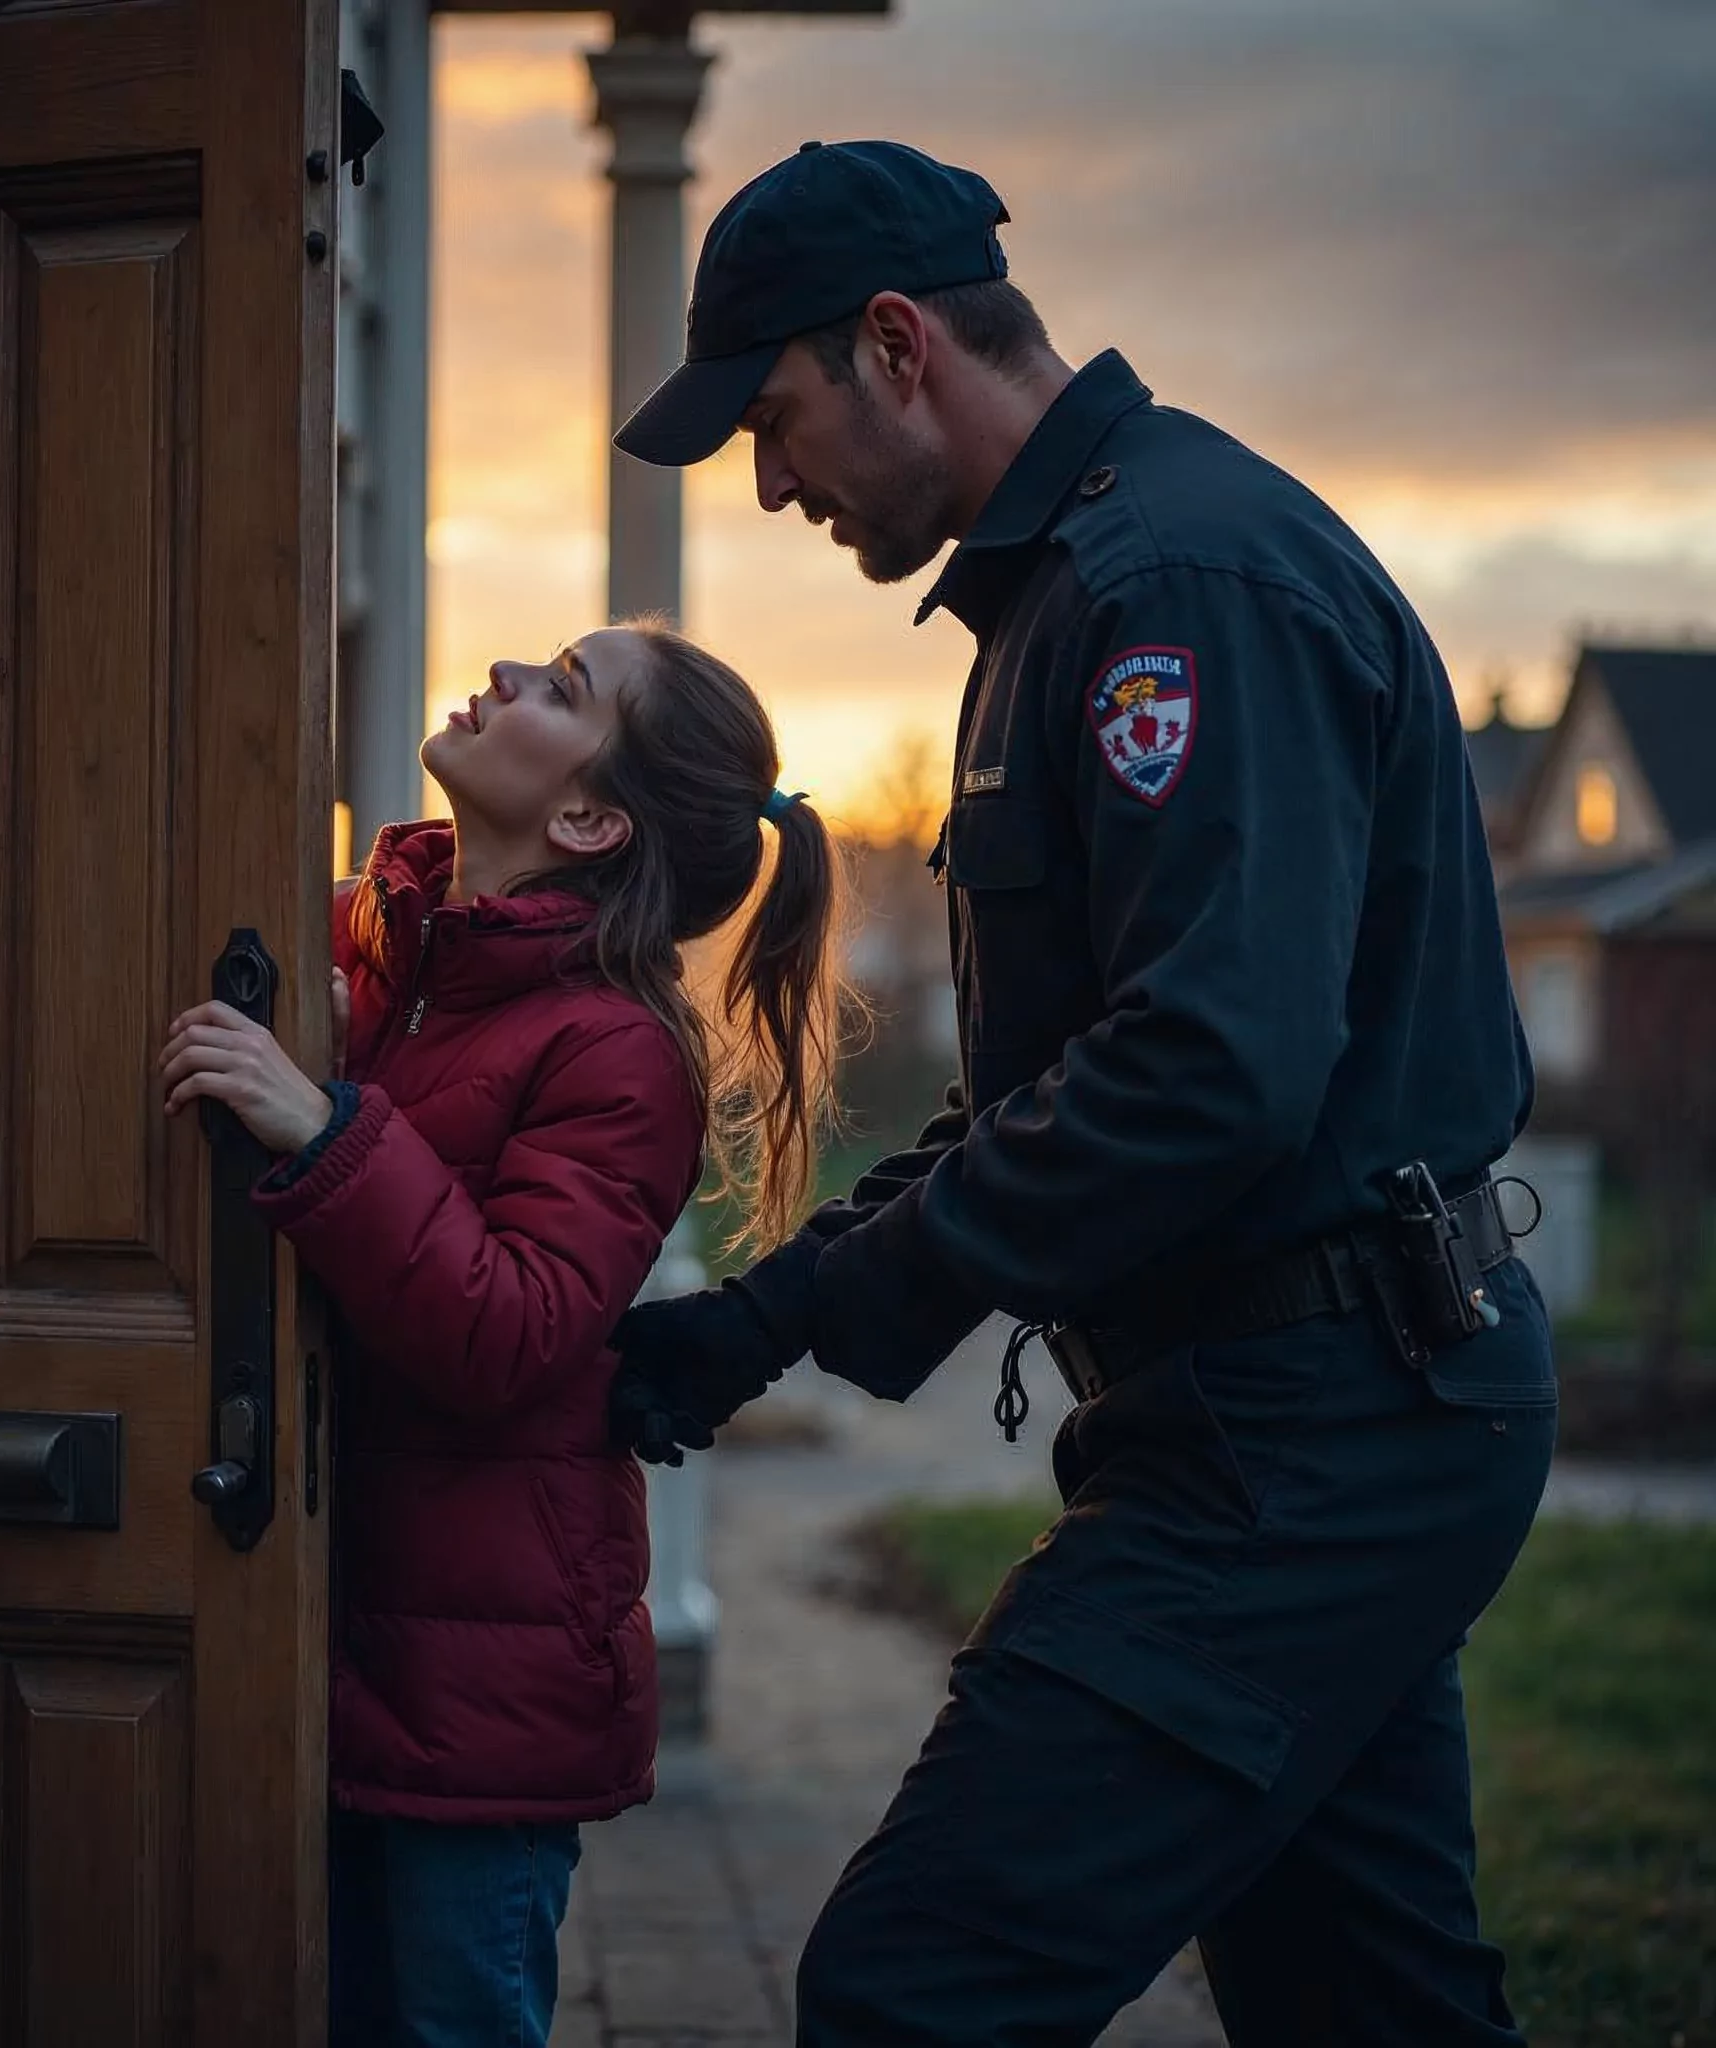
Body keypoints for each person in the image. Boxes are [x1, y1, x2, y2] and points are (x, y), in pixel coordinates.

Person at [607, 140, 1556, 2046]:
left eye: (773, 422)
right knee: (1368, 2013)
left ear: (894, 345)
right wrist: (746, 1328)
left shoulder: (1174, 588)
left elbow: (1206, 1076)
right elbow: (1052, 1088)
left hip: (1313, 1435)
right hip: (1295, 1411)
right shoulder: (1066, 597)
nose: (770, 482)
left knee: (913, 1988)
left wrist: (797, 1309)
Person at [157, 621, 845, 2047]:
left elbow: (510, 1330)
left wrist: (323, 1125)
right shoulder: (404, 969)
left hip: (483, 1699)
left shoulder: (617, 1048)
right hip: (336, 1651)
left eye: (565, 689)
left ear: (592, 816)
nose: (509, 676)